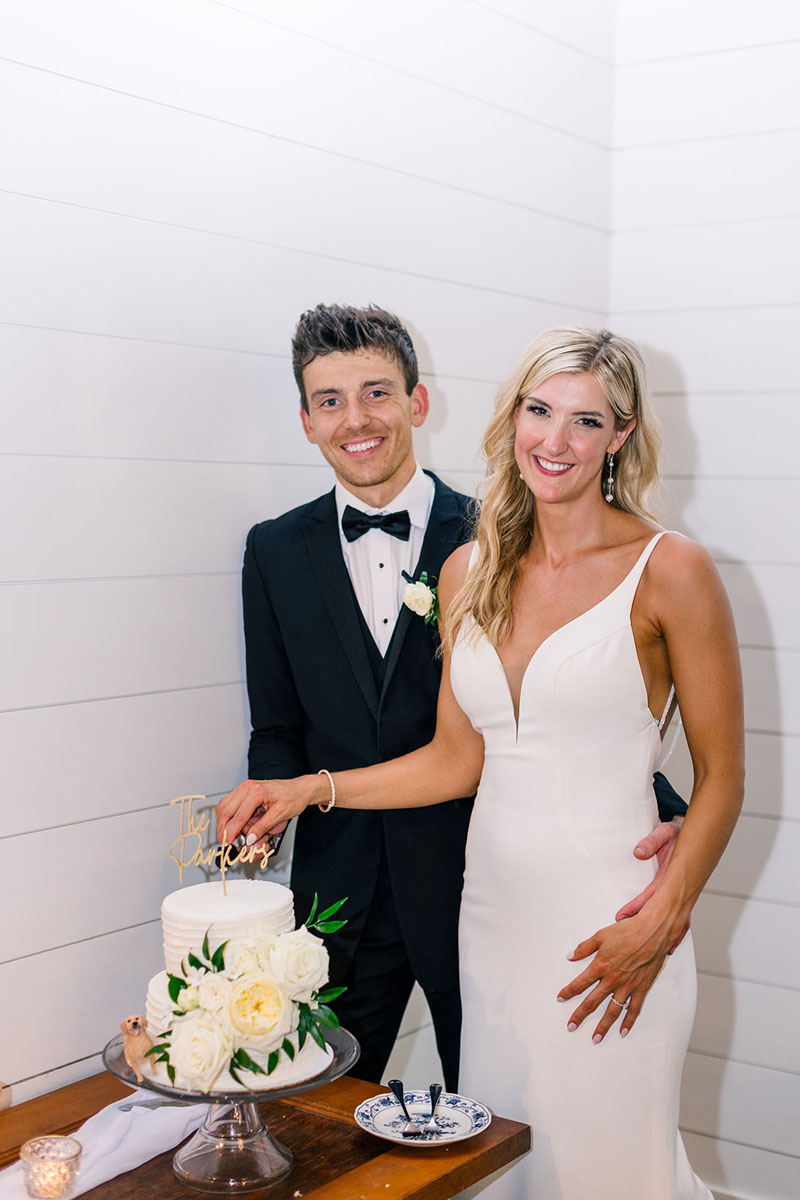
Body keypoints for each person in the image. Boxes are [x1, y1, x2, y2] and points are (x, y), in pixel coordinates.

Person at [216, 308, 688, 1103]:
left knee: (506, 1104)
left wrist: (664, 811)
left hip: (481, 880)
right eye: (329, 401)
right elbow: (278, 727)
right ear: (305, 421)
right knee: (318, 1115)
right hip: (341, 894)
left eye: (376, 393)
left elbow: (575, 700)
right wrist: (269, 814)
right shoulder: (272, 550)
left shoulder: (505, 535)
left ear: (418, 402)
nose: (356, 419)